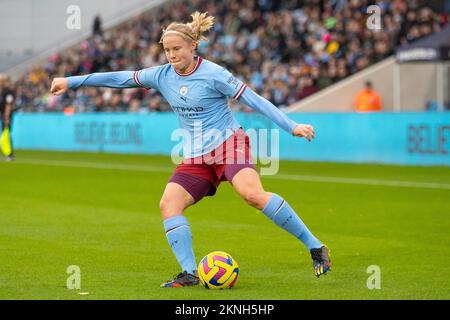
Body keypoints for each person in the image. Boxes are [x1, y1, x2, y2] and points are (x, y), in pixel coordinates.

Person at [50, 12, 331, 287]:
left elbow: (254, 100)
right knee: (168, 204)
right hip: (197, 156)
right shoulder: (161, 75)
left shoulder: (214, 74)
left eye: (177, 49)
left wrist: (291, 126)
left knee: (252, 195)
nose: (171, 56)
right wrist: (71, 82)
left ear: (193, 46)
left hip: (229, 144)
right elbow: (119, 79)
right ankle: (189, 273)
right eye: (167, 50)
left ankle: (315, 246)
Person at [0, 75, 15, 161]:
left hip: (7, 116)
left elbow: (9, 105)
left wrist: (6, 117)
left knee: (6, 135)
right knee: (4, 134)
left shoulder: (8, 92)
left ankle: (9, 154)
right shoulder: (2, 92)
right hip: (3, 115)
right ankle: (7, 153)